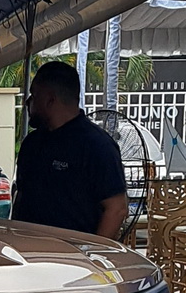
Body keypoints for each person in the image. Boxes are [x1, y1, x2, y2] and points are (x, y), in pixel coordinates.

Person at [12, 61, 129, 239]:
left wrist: (93, 255)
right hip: (28, 254)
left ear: (50, 99)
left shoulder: (97, 145)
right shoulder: (32, 144)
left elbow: (117, 208)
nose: (28, 103)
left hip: (75, 258)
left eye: (34, 96)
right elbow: (21, 196)